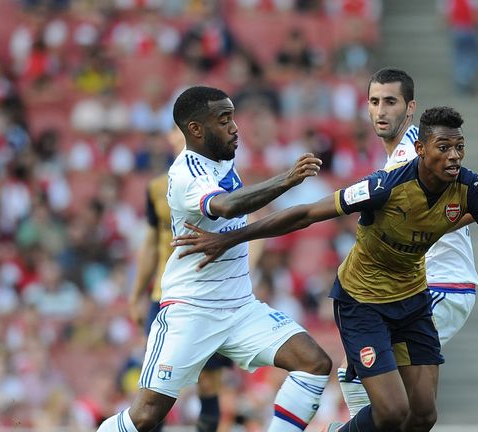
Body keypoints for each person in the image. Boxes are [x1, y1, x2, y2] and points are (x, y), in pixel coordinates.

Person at [172, 106, 478, 432]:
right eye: (444, 147)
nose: (454, 156)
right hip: (363, 303)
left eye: (459, 147)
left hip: (413, 301)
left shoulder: (471, 187)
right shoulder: (384, 187)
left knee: (423, 416)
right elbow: (307, 213)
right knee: (391, 412)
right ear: (421, 149)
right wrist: (229, 239)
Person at [97, 86, 332, 432]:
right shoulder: (185, 173)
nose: (235, 128)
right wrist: (287, 179)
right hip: (191, 312)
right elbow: (225, 206)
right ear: (195, 129)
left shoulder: (222, 159)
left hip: (240, 309)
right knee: (145, 416)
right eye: (224, 121)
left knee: (314, 363)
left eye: (232, 117)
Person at [334, 67, 478, 418]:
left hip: (440, 283)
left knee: (355, 373)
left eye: (391, 102)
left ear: (410, 108)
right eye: (375, 102)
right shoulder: (402, 156)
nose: (381, 110)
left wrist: (424, 230)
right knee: (408, 406)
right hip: (424, 285)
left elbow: (471, 204)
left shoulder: (412, 156)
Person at [126, 128, 233, 432]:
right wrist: (136, 295)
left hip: (208, 295)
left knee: (209, 382)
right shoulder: (157, 188)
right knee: (155, 384)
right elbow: (151, 244)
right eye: (176, 131)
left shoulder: (223, 184)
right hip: (165, 296)